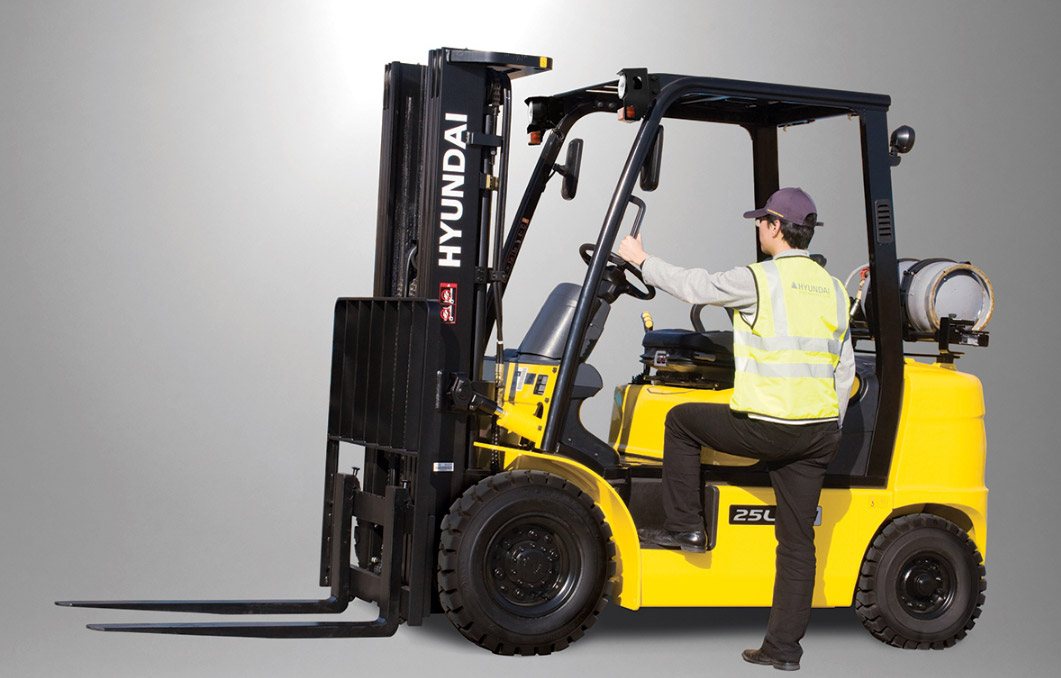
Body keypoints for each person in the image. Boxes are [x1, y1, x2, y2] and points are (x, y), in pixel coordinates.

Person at [617, 187, 855, 672]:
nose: (758, 228)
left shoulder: (760, 280)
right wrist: (829, 427)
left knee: (680, 421)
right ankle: (783, 650)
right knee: (797, 544)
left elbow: (696, 287)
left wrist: (641, 260)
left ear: (775, 226)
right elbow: (844, 369)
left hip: (769, 428)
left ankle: (686, 527)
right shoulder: (833, 288)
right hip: (817, 432)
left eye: (761, 221)